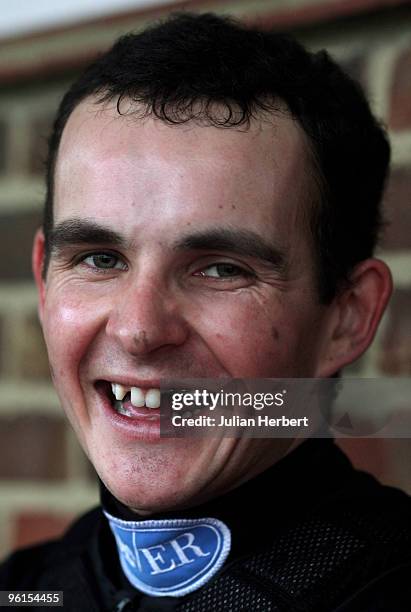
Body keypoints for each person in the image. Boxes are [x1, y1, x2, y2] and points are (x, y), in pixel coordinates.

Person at [1, 12, 410, 611]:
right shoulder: (26, 587)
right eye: (98, 258)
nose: (139, 329)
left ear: (347, 316)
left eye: (220, 269)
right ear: (43, 281)